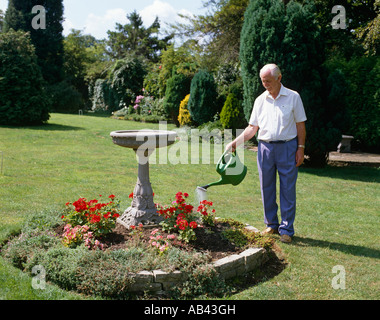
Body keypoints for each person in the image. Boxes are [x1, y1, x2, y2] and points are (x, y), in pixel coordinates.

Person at [225, 64, 307, 243]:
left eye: (268, 81)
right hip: (265, 148)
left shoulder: (293, 97)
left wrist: (300, 148)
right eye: (263, 81)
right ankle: (271, 224)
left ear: (279, 78)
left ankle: (286, 229)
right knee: (266, 187)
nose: (265, 85)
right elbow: (252, 128)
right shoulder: (260, 100)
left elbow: (300, 125)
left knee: (287, 189)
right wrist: (235, 143)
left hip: (288, 147)